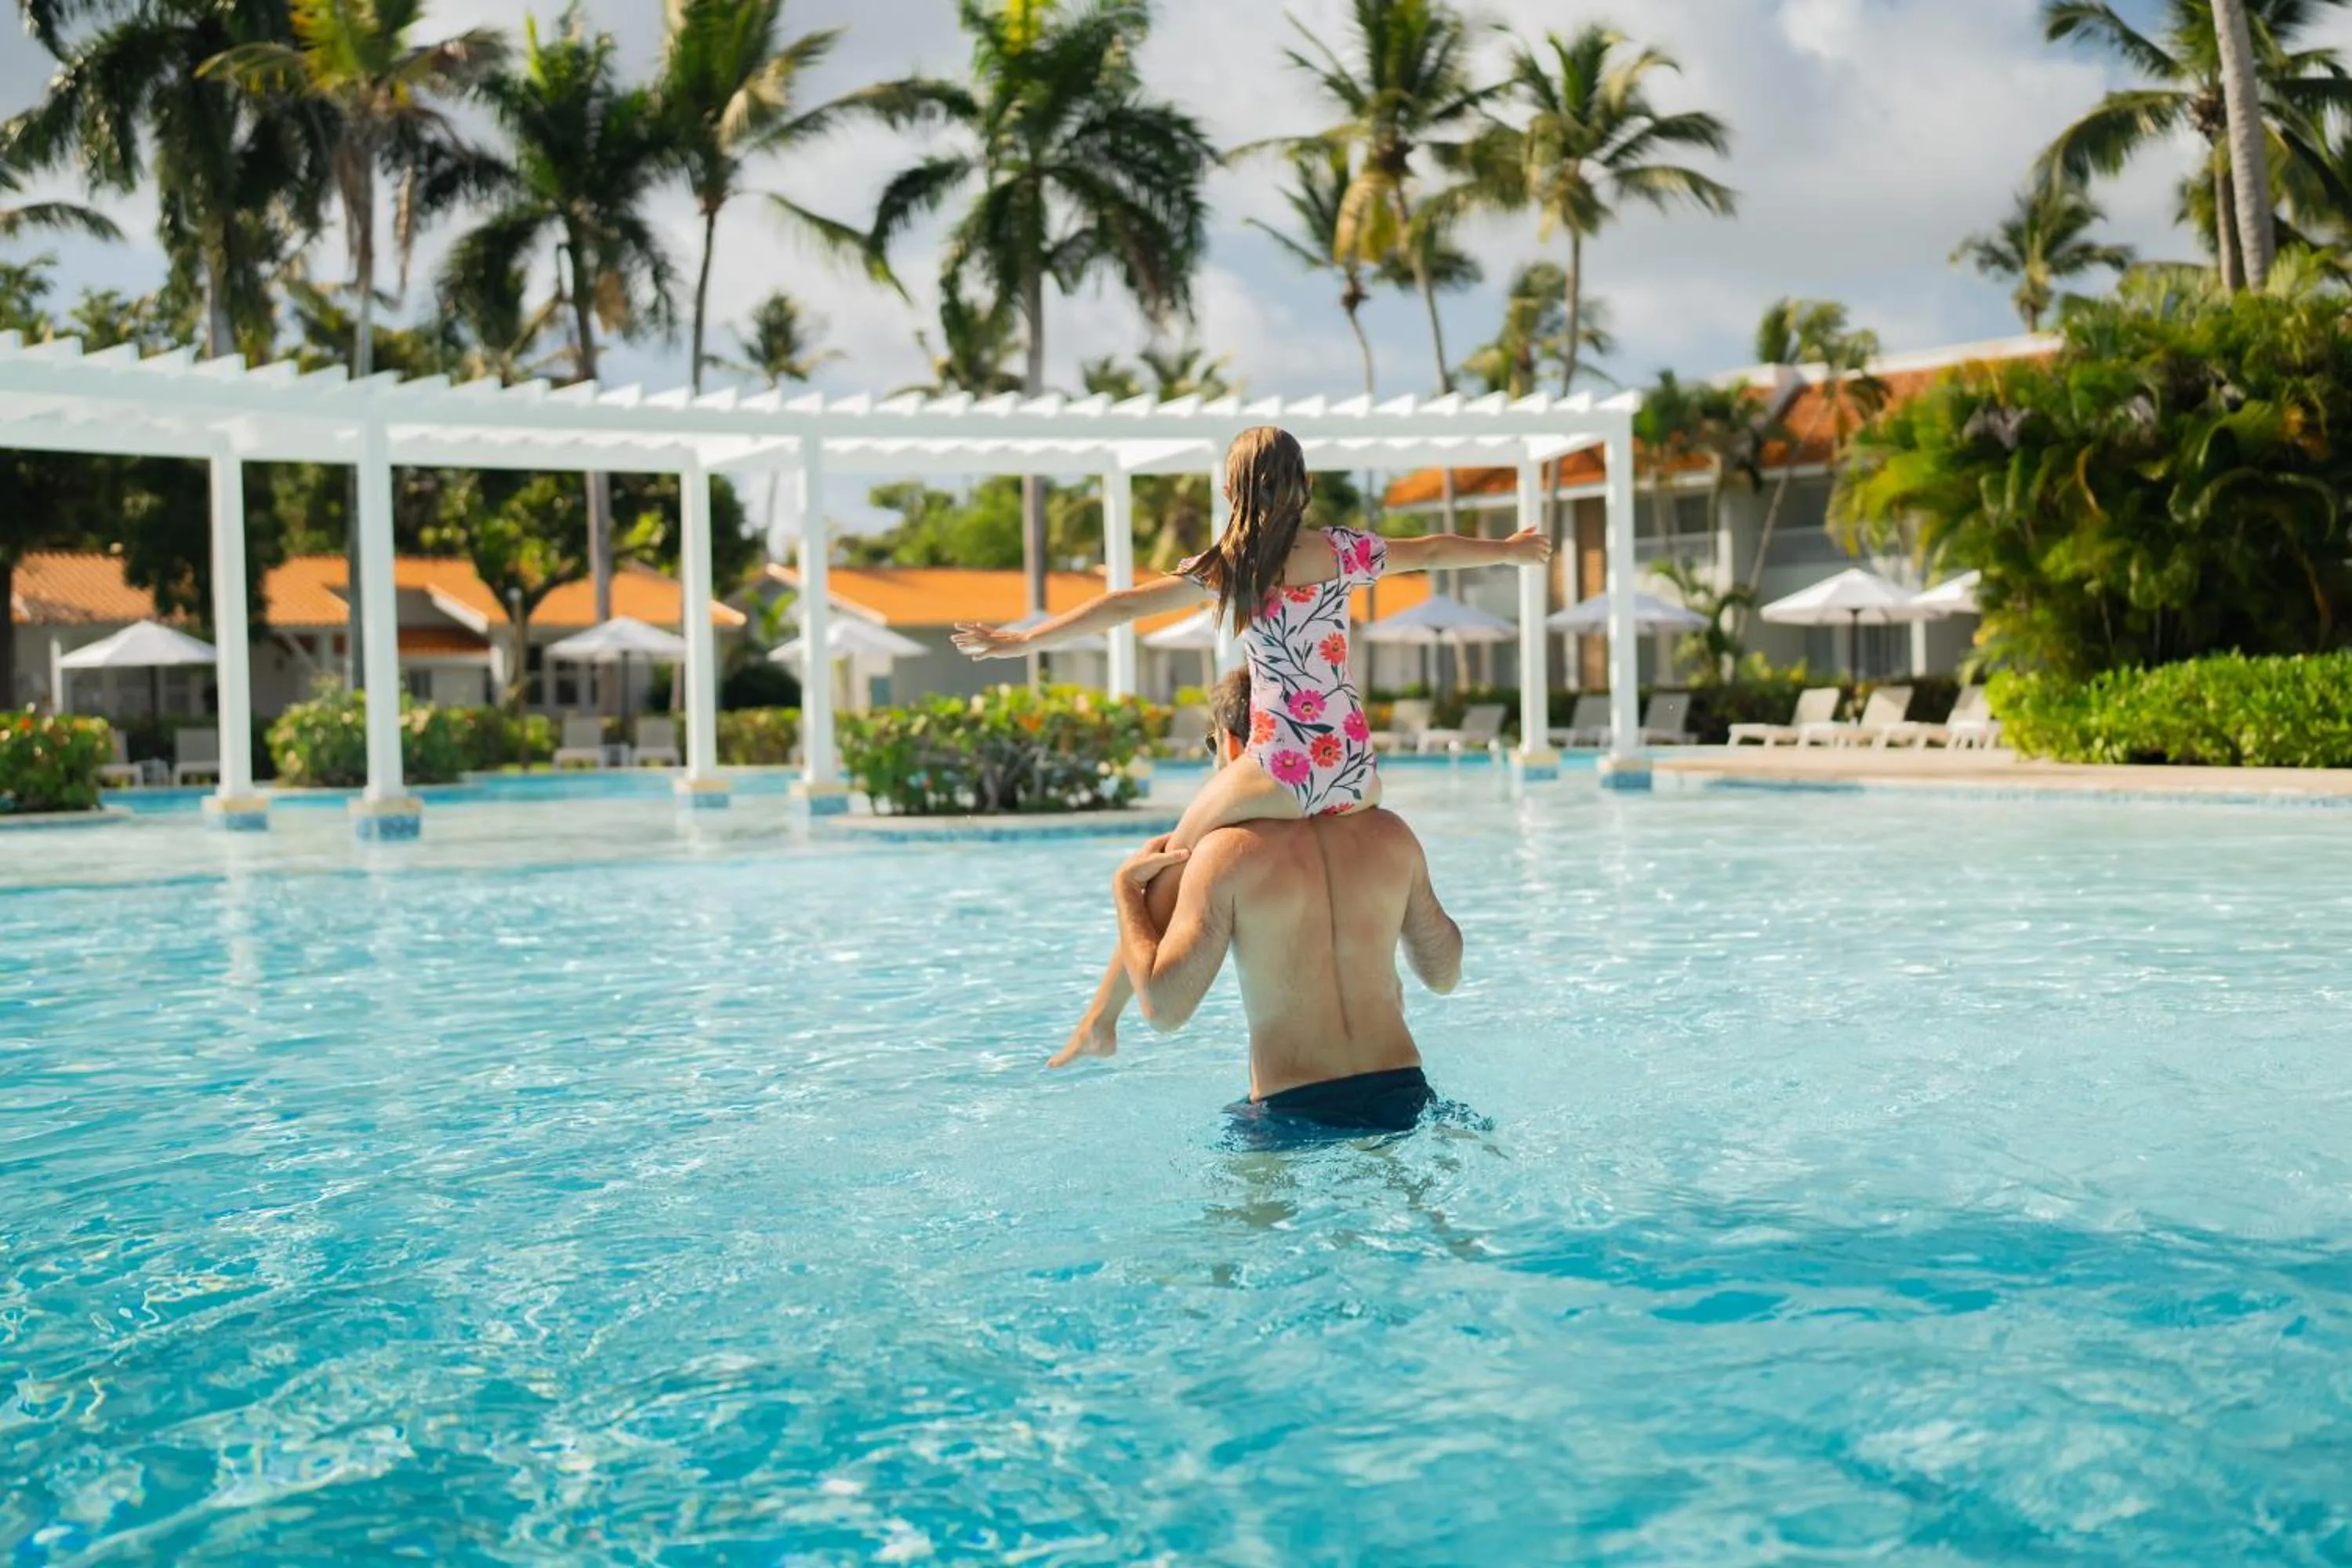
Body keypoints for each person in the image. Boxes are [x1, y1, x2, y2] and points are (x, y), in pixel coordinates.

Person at [954, 426, 1542, 1057]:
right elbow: (1432, 550)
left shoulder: (1231, 566)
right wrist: (1506, 550)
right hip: (1353, 765)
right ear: (1305, 485)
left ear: (1231, 489)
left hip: (1281, 767)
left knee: (1165, 867)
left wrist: (1022, 642)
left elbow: (1122, 607)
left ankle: (1102, 1022)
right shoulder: (1344, 551)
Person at [1054, 669, 1470, 1138]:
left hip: (1294, 1108)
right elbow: (1443, 975)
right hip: (1406, 1097)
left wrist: (1125, 893)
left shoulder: (1225, 854)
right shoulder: (1391, 835)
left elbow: (1164, 1009)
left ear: (1232, 744)